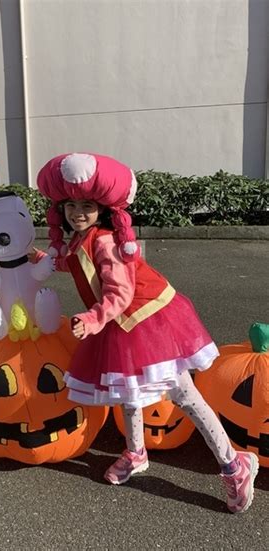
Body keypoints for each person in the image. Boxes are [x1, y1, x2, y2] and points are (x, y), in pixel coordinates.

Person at [35, 152, 259, 513]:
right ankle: (136, 452)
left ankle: (234, 463)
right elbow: (75, 264)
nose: (77, 212)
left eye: (87, 205)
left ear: (102, 208)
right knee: (129, 390)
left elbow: (119, 294)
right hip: (121, 324)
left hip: (148, 321)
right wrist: (37, 259)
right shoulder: (83, 238)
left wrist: (92, 319)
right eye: (71, 205)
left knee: (184, 395)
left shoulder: (106, 241)